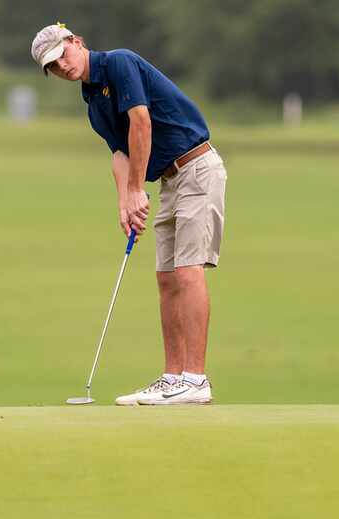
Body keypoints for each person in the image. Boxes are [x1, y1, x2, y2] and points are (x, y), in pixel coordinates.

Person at [31, 23, 227, 405]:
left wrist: (138, 189)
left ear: (76, 42)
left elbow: (141, 121)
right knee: (166, 278)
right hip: (170, 180)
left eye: (61, 56)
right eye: (52, 67)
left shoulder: (119, 63)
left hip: (196, 168)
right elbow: (119, 153)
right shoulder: (92, 102)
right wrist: (125, 201)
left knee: (188, 271)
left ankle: (195, 379)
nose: (61, 68)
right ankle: (173, 378)